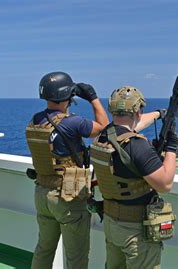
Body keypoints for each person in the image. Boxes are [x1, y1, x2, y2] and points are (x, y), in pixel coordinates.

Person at [91, 86, 178, 269]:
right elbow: (165, 184)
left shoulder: (104, 136)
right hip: (135, 230)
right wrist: (171, 149)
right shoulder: (137, 146)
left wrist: (158, 114)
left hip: (112, 223)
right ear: (138, 110)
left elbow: (132, 125)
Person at [26, 71, 109, 269]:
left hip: (42, 192)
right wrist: (93, 98)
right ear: (68, 96)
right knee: (76, 256)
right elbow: (104, 128)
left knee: (44, 249)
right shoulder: (72, 122)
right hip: (67, 197)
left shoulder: (37, 120)